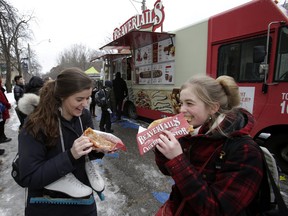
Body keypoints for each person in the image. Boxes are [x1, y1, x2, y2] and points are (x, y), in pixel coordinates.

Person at [154, 75, 264, 215]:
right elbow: (166, 170)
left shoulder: (245, 151)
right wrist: (162, 149)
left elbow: (216, 209)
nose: (181, 110)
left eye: (189, 103)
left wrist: (177, 160)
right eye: (181, 103)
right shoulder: (190, 133)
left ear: (213, 108)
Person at [18, 68, 105, 216]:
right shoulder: (35, 124)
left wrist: (98, 149)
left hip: (84, 203)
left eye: (88, 98)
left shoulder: (83, 116)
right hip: (49, 206)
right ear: (62, 96)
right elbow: (29, 177)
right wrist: (70, 155)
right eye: (79, 99)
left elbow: (84, 156)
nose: (85, 104)